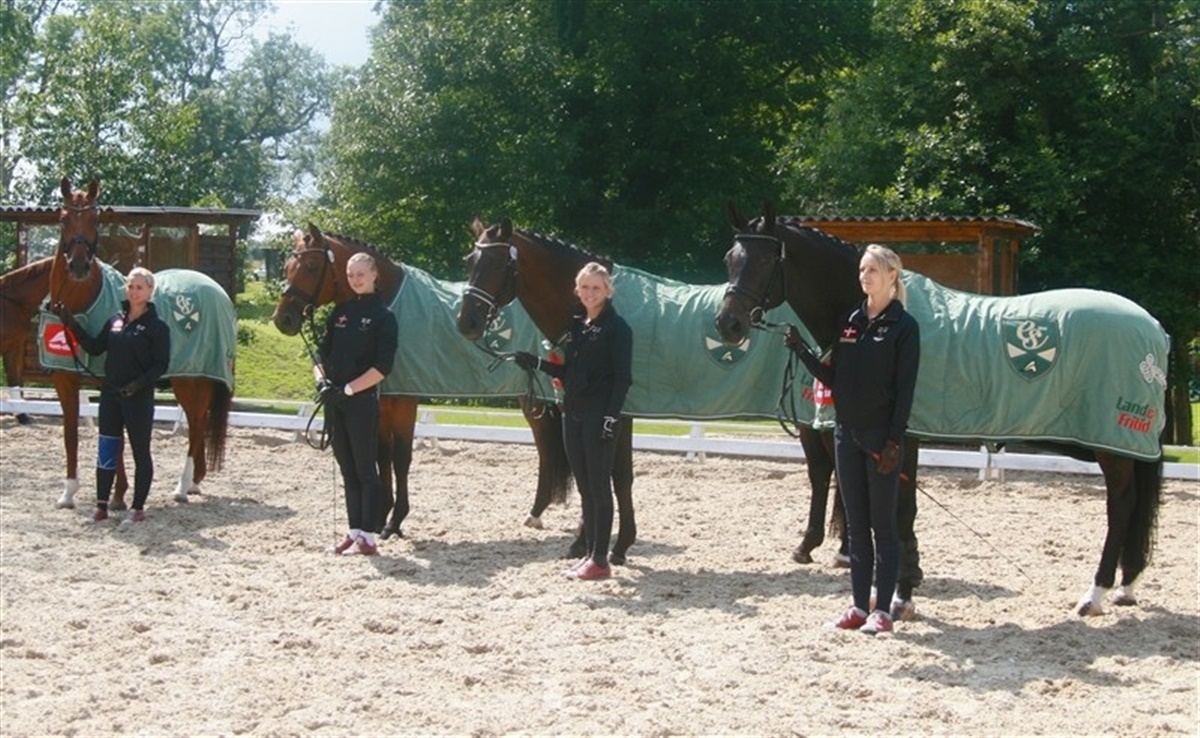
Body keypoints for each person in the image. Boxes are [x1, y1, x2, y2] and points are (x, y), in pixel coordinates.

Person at [785, 244, 920, 635]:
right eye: (862, 270)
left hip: (881, 439)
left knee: (883, 527)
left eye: (872, 270)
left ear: (892, 275)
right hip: (846, 434)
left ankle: (883, 612)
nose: (865, 277)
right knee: (857, 527)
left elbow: (905, 390)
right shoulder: (849, 322)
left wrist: (894, 441)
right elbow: (836, 380)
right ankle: (860, 606)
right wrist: (802, 351)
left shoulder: (903, 326)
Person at [513, 262, 633, 581]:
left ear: (607, 291)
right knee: (585, 488)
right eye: (585, 287)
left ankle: (600, 560)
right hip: (573, 414)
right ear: (577, 290)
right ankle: (591, 554)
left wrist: (611, 417)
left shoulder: (618, 329)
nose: (590, 293)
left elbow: (622, 379)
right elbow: (570, 373)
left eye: (596, 288)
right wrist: (537, 363)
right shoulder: (578, 326)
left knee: (599, 488)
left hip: (598, 415)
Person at [53, 267, 170, 525]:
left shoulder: (157, 327)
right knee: (106, 449)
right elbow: (95, 347)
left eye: (139, 287)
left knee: (140, 452)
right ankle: (101, 506)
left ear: (150, 291)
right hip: (111, 395)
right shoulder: (115, 321)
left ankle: (137, 508)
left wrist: (137, 385)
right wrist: (71, 323)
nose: (134, 292)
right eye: (131, 286)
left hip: (138, 398)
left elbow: (160, 365)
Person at [314, 252, 398, 557]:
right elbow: (321, 355)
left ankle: (369, 536)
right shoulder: (341, 312)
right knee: (347, 468)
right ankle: (353, 531)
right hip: (333, 400)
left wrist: (349, 390)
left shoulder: (384, 317)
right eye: (351, 275)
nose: (355, 280)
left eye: (361, 274)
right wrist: (322, 382)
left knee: (365, 470)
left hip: (361, 402)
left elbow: (382, 367)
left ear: (374, 275)